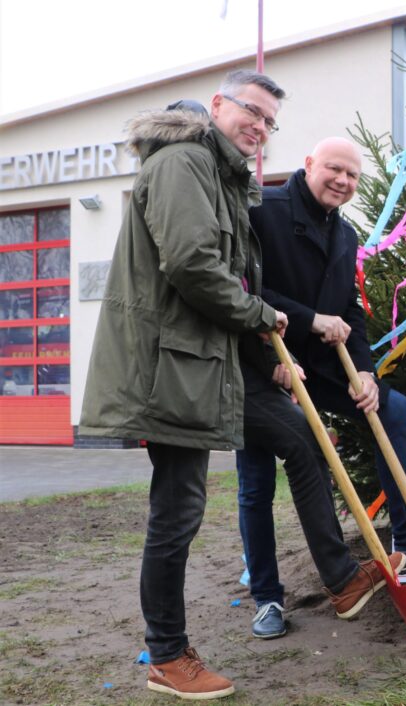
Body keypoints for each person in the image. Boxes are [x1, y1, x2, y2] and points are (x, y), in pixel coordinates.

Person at [79, 70, 290, 700]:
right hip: (167, 370)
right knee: (176, 515)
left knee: (180, 511)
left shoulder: (220, 178)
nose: (259, 127)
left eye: (269, 121)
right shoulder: (184, 162)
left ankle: (168, 649)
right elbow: (194, 264)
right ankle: (167, 656)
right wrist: (259, 315)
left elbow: (220, 268)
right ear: (219, 105)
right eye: (252, 111)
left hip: (191, 367)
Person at [236, 136, 406, 636]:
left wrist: (365, 372)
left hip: (322, 366)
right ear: (308, 164)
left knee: (393, 408)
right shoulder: (264, 210)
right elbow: (243, 290)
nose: (343, 181)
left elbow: (350, 310)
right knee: (257, 480)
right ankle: (267, 597)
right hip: (260, 364)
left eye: (352, 175)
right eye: (334, 169)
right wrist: (296, 332)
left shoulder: (344, 233)